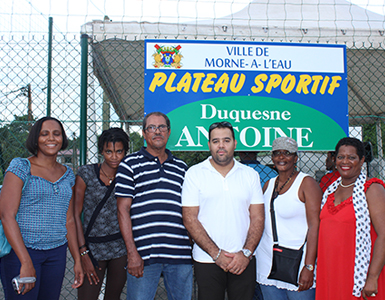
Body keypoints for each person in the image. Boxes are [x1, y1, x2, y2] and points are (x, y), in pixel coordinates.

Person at [0, 116, 83, 299]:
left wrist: (77, 260)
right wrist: (25, 260)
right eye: (44, 134)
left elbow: (68, 221)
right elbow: (7, 215)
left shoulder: (67, 174)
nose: (51, 138)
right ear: (35, 138)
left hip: (56, 254)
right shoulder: (21, 167)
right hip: (22, 252)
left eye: (56, 134)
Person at [182, 121, 265, 300]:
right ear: (209, 144)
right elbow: (190, 219)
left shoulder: (250, 175)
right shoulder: (194, 174)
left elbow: (258, 218)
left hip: (243, 259)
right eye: (215, 141)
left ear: (235, 144)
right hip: (207, 259)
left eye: (226, 140)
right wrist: (216, 254)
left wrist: (246, 253)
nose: (221, 145)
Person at [115, 112, 193, 300]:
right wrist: (132, 253)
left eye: (161, 127)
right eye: (151, 128)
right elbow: (122, 210)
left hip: (180, 254)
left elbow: (190, 210)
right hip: (143, 254)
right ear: (143, 133)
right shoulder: (129, 165)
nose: (157, 132)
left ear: (168, 132)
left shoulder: (182, 168)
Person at [316, 137, 385, 300]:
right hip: (330, 271)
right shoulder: (330, 191)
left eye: (351, 157)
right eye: (340, 157)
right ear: (334, 160)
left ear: (361, 160)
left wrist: (373, 276)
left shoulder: (372, 189)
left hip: (359, 274)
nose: (345, 161)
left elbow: (384, 235)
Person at [256, 136, 322, 300]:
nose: (281, 157)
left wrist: (309, 266)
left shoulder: (307, 183)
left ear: (295, 157)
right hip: (268, 263)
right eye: (277, 153)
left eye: (287, 153)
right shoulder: (268, 184)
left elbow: (316, 226)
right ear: (272, 157)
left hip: (298, 263)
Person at [74, 128, 129, 300]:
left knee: (113, 297)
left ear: (125, 151)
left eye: (119, 151)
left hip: (120, 247)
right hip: (92, 249)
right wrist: (83, 252)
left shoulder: (128, 176)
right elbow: (75, 215)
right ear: (101, 151)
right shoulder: (86, 174)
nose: (114, 157)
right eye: (108, 151)